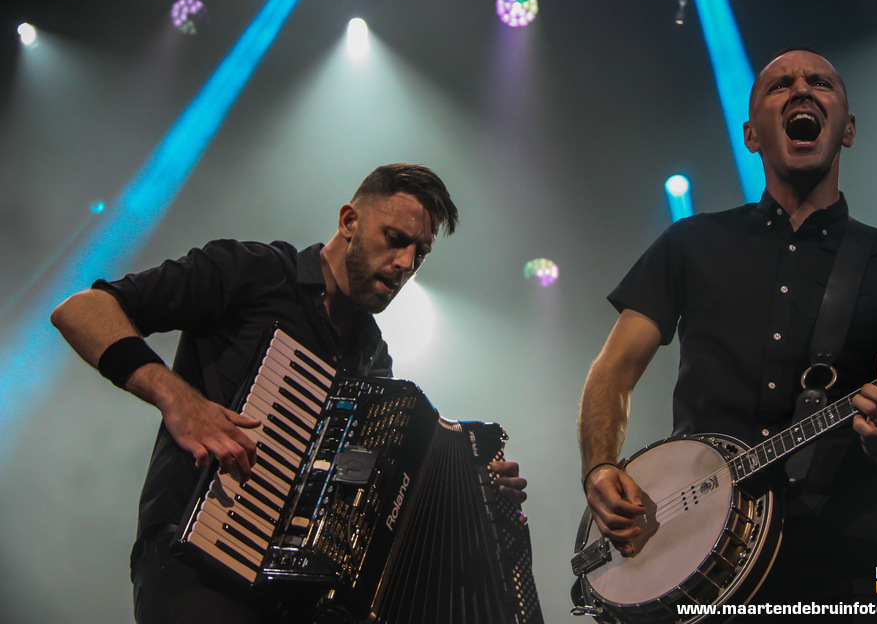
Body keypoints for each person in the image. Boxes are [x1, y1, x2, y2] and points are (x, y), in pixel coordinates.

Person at [51, 163, 528, 624]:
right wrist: (179, 399)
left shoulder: (372, 356)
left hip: (293, 599)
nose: (405, 263)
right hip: (194, 562)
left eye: (419, 253)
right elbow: (83, 310)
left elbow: (376, 499)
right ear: (349, 221)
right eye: (395, 240)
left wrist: (473, 490)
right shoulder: (251, 272)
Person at [578, 49, 877, 620]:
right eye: (780, 86)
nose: (801, 90)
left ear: (847, 129)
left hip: (842, 565)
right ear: (751, 134)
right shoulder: (690, 244)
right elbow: (613, 371)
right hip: (696, 557)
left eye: (820, 82)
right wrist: (600, 466)